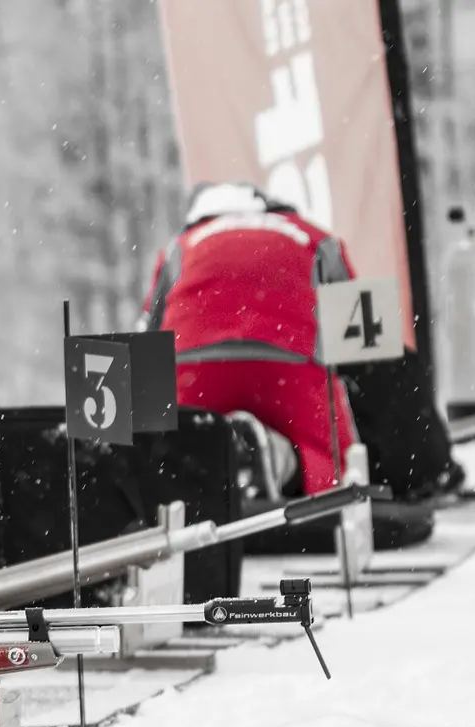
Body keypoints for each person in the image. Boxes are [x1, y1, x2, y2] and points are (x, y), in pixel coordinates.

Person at [140, 182, 359, 497]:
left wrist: (148, 446)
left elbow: (150, 338)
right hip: (288, 362)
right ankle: (279, 462)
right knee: (332, 463)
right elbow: (360, 336)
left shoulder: (181, 245)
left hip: (191, 365)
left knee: (173, 451)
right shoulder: (314, 236)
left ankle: (203, 472)